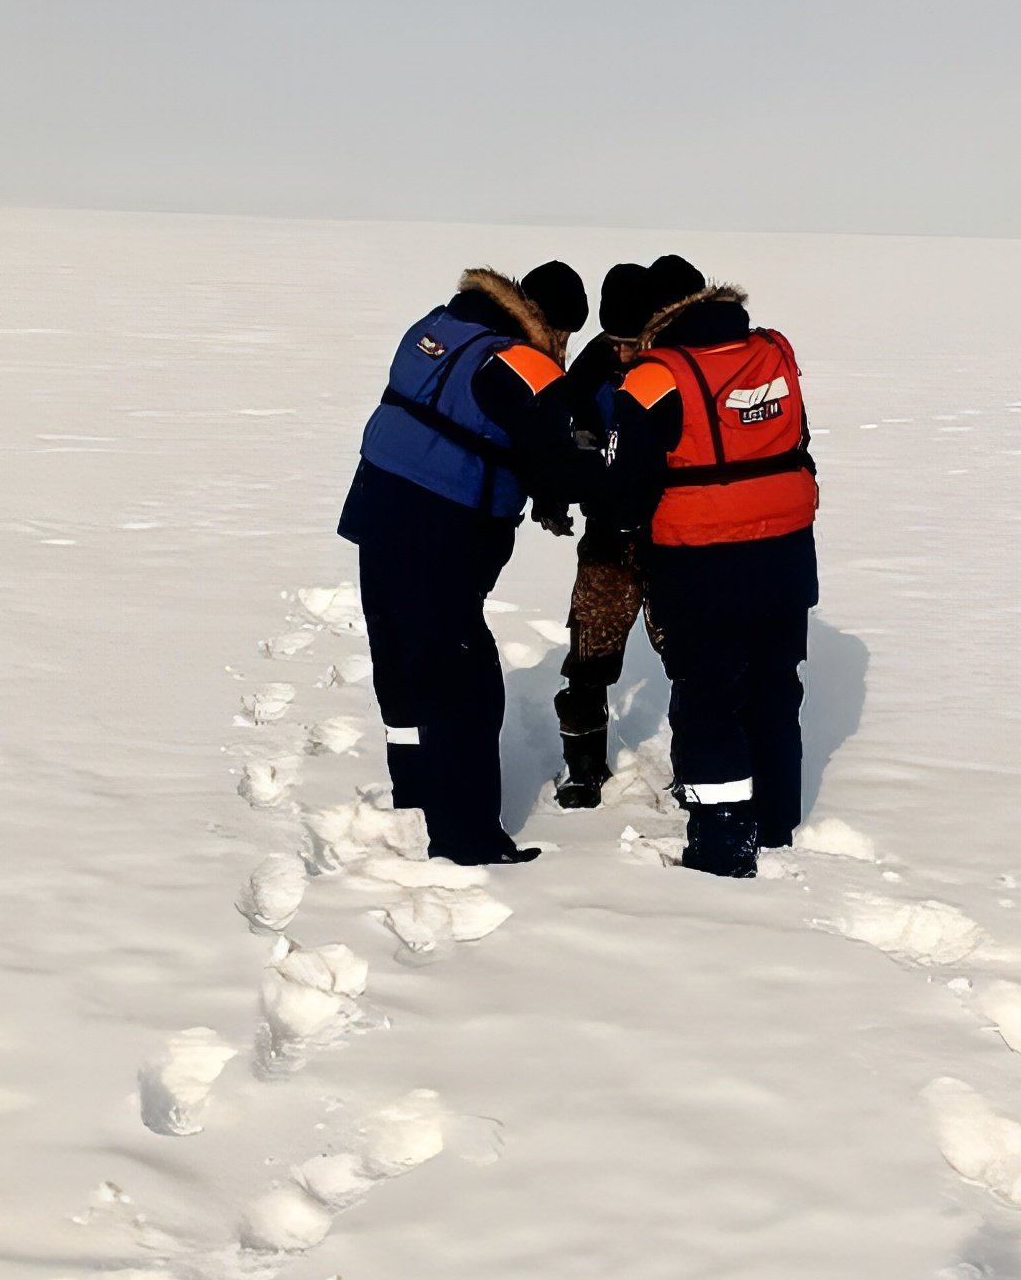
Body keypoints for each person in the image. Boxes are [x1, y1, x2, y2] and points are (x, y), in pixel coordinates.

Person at [339, 260, 591, 866]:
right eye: (565, 337)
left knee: (398, 653)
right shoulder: (520, 362)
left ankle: (416, 792)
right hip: (442, 526)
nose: (562, 350)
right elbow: (559, 451)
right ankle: (467, 837)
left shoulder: (441, 325)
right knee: (462, 678)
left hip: (377, 502)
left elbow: (467, 413)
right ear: (552, 325)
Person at [599, 265, 818, 878]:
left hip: (701, 562)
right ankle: (775, 822)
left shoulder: (653, 378)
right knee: (776, 688)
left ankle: (722, 847)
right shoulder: (773, 351)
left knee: (709, 701)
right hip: (788, 551)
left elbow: (624, 489)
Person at [553, 260, 669, 807]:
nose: (625, 353)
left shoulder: (673, 368)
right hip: (606, 532)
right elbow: (559, 437)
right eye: (615, 340)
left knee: (688, 653)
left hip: (670, 535)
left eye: (634, 341)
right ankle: (583, 768)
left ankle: (700, 765)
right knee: (589, 654)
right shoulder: (588, 370)